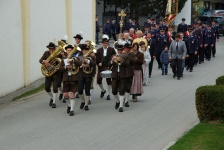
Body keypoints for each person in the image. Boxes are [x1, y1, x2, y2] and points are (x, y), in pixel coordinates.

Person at [39, 42, 63, 108]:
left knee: (55, 88)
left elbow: (62, 63)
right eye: (50, 49)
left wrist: (55, 67)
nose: (51, 50)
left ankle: (54, 102)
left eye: (52, 49)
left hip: (56, 73)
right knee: (47, 88)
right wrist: (44, 62)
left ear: (55, 48)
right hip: (48, 73)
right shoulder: (46, 53)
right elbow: (40, 60)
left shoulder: (59, 54)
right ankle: (52, 97)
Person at [61, 45, 81, 116]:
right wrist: (65, 67)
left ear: (73, 51)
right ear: (66, 51)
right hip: (66, 78)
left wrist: (73, 60)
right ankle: (69, 105)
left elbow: (80, 64)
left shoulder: (76, 58)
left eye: (70, 50)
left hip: (74, 78)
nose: (69, 52)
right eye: (68, 50)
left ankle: (72, 110)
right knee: (65, 95)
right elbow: (59, 69)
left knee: (72, 94)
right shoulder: (63, 59)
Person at [109, 41, 129, 112]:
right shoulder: (113, 56)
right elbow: (109, 65)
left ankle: (121, 106)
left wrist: (122, 61)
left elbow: (128, 64)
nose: (119, 51)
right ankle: (117, 101)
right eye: (118, 50)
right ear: (117, 50)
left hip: (122, 75)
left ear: (122, 50)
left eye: (121, 50)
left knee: (121, 91)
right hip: (114, 75)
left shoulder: (125, 56)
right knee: (114, 91)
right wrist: (112, 60)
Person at [96, 35, 116, 100]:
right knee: (98, 80)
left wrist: (111, 61)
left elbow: (114, 56)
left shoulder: (111, 49)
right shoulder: (99, 50)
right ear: (102, 44)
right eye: (104, 43)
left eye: (106, 43)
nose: (105, 44)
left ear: (107, 43)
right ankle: (103, 90)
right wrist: (98, 63)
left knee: (108, 81)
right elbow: (96, 59)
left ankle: (108, 94)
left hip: (108, 67)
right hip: (101, 68)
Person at [78, 44, 96, 111]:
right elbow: (76, 64)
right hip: (81, 75)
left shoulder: (92, 57)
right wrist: (81, 65)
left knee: (87, 90)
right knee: (80, 90)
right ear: (82, 50)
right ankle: (82, 101)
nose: (85, 51)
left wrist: (88, 61)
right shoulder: (80, 57)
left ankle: (86, 104)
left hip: (88, 75)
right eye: (83, 50)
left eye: (86, 50)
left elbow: (94, 64)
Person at [123, 41, 135, 107]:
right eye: (125, 48)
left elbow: (134, 61)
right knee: (123, 87)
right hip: (123, 72)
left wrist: (128, 56)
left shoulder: (132, 54)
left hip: (130, 72)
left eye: (128, 48)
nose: (127, 49)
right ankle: (123, 98)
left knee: (128, 87)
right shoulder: (122, 54)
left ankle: (126, 100)